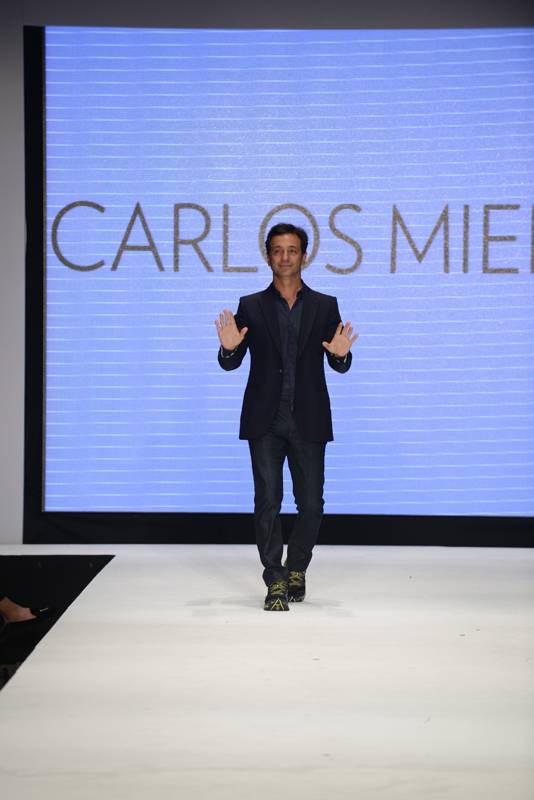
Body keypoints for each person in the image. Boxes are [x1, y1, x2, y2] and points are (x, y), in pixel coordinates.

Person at [215, 222, 357, 611]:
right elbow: (231, 361)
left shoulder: (325, 305)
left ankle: (297, 567)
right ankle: (275, 579)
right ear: (268, 256)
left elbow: (339, 361)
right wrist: (228, 349)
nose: (285, 257)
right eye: (277, 250)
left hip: (308, 417)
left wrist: (342, 355)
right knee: (268, 501)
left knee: (311, 504)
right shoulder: (251, 305)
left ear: (304, 256)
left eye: (292, 250)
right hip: (265, 419)